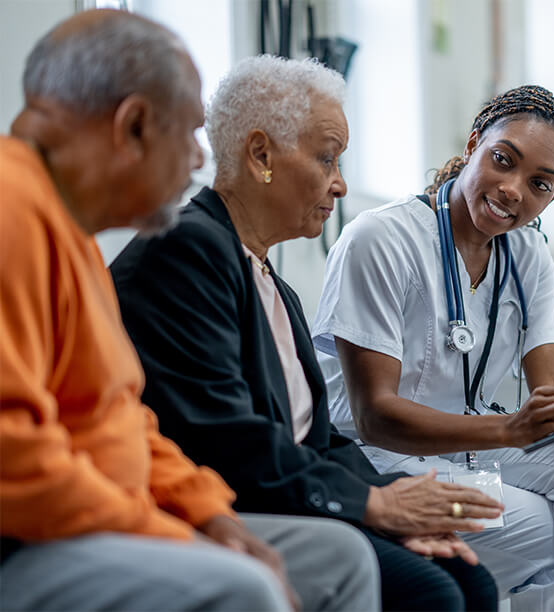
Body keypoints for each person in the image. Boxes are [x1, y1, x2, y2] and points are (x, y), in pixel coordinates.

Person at [0, 10, 381, 612]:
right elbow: (14, 459)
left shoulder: (72, 236)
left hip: (100, 513)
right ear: (133, 126)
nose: (198, 160)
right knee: (245, 586)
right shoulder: (12, 212)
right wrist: (169, 530)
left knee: (340, 557)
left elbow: (120, 422)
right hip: (26, 536)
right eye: (189, 134)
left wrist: (207, 513)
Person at [110, 54, 503, 612]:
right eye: (327, 158)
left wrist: (392, 500)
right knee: (431, 592)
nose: (340, 184)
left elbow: (316, 438)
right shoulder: (187, 249)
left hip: (286, 491)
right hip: (235, 502)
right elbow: (224, 436)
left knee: (471, 580)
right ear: (261, 155)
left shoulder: (272, 282)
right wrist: (371, 506)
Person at [311, 85, 554, 611]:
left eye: (539, 184)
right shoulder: (381, 238)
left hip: (470, 447)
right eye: (503, 160)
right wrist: (510, 428)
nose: (512, 190)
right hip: (376, 459)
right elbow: (374, 418)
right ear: (473, 145)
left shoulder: (528, 254)